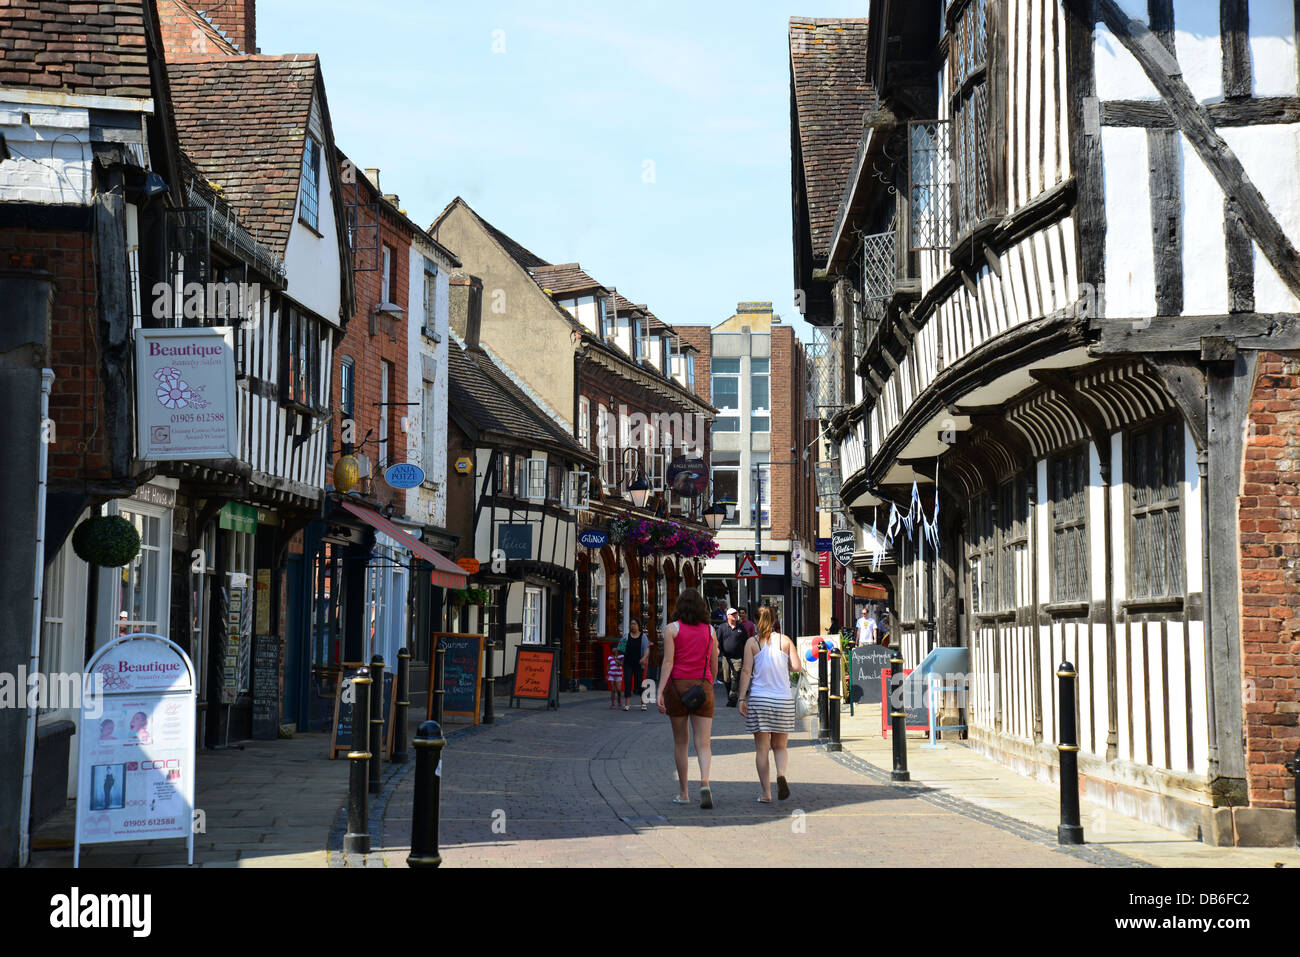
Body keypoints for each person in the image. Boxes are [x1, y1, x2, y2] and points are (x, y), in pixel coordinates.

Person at [657, 588, 718, 808]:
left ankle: (683, 793)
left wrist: (660, 691)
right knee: (704, 744)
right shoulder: (711, 631)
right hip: (703, 687)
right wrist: (710, 683)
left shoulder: (671, 629)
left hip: (677, 688)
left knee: (681, 742)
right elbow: (714, 661)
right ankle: (705, 782)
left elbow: (668, 663)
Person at [737, 606, 801, 803]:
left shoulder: (752, 643)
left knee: (762, 749)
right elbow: (797, 667)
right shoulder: (785, 640)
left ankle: (766, 793)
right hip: (783, 700)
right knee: (780, 746)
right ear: (775, 620)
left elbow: (746, 671)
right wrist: (786, 665)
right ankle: (781, 774)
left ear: (756, 621)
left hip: (760, 700)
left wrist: (741, 698)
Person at [715, 608, 748, 707]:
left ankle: (733, 698)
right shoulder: (722, 628)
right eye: (732, 614)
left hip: (738, 657)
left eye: (735, 614)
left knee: (735, 677)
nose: (735, 616)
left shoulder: (741, 628)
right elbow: (717, 641)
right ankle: (730, 695)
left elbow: (746, 642)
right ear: (728, 616)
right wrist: (717, 650)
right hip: (726, 657)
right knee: (726, 678)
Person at [622, 618, 650, 711]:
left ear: (638, 625)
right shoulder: (626, 636)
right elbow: (620, 647)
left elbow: (647, 649)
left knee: (639, 684)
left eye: (634, 624)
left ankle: (643, 703)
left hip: (638, 664)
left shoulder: (643, 637)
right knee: (628, 682)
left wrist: (644, 658)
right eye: (631, 624)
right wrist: (618, 655)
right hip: (627, 663)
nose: (632, 626)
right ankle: (627, 705)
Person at [607, 645, 624, 709]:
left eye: (615, 648)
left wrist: (617, 660)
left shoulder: (621, 656)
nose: (614, 650)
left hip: (618, 675)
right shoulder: (609, 657)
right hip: (611, 674)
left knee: (619, 690)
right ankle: (613, 703)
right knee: (613, 689)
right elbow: (608, 666)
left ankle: (619, 700)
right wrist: (607, 674)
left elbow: (621, 664)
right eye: (612, 649)